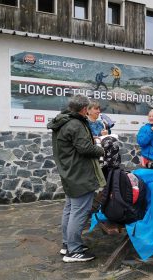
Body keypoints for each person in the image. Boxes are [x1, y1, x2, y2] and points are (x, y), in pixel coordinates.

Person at [47, 95, 106, 263]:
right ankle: (73, 251)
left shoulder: (64, 120)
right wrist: (101, 149)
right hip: (79, 173)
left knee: (70, 209)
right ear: (83, 109)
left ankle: (68, 244)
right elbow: (85, 148)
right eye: (88, 108)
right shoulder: (76, 123)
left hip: (69, 171)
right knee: (79, 212)